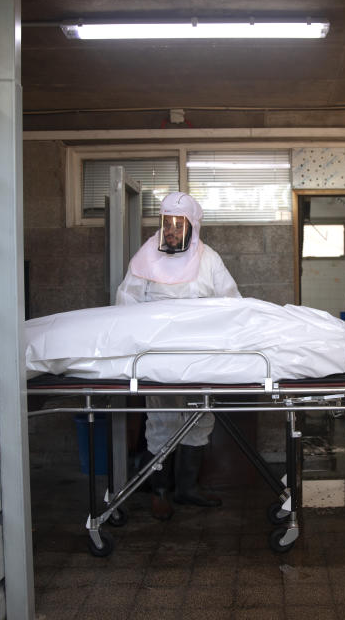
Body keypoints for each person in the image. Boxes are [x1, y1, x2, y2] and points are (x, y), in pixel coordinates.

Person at [115, 191, 241, 520]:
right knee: (162, 421)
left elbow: (232, 302)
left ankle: (188, 489)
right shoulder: (145, 258)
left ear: (193, 226)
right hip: (159, 358)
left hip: (201, 357)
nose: (170, 231)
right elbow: (125, 304)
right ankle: (159, 492)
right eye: (166, 223)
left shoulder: (209, 259)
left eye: (178, 224)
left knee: (201, 416)